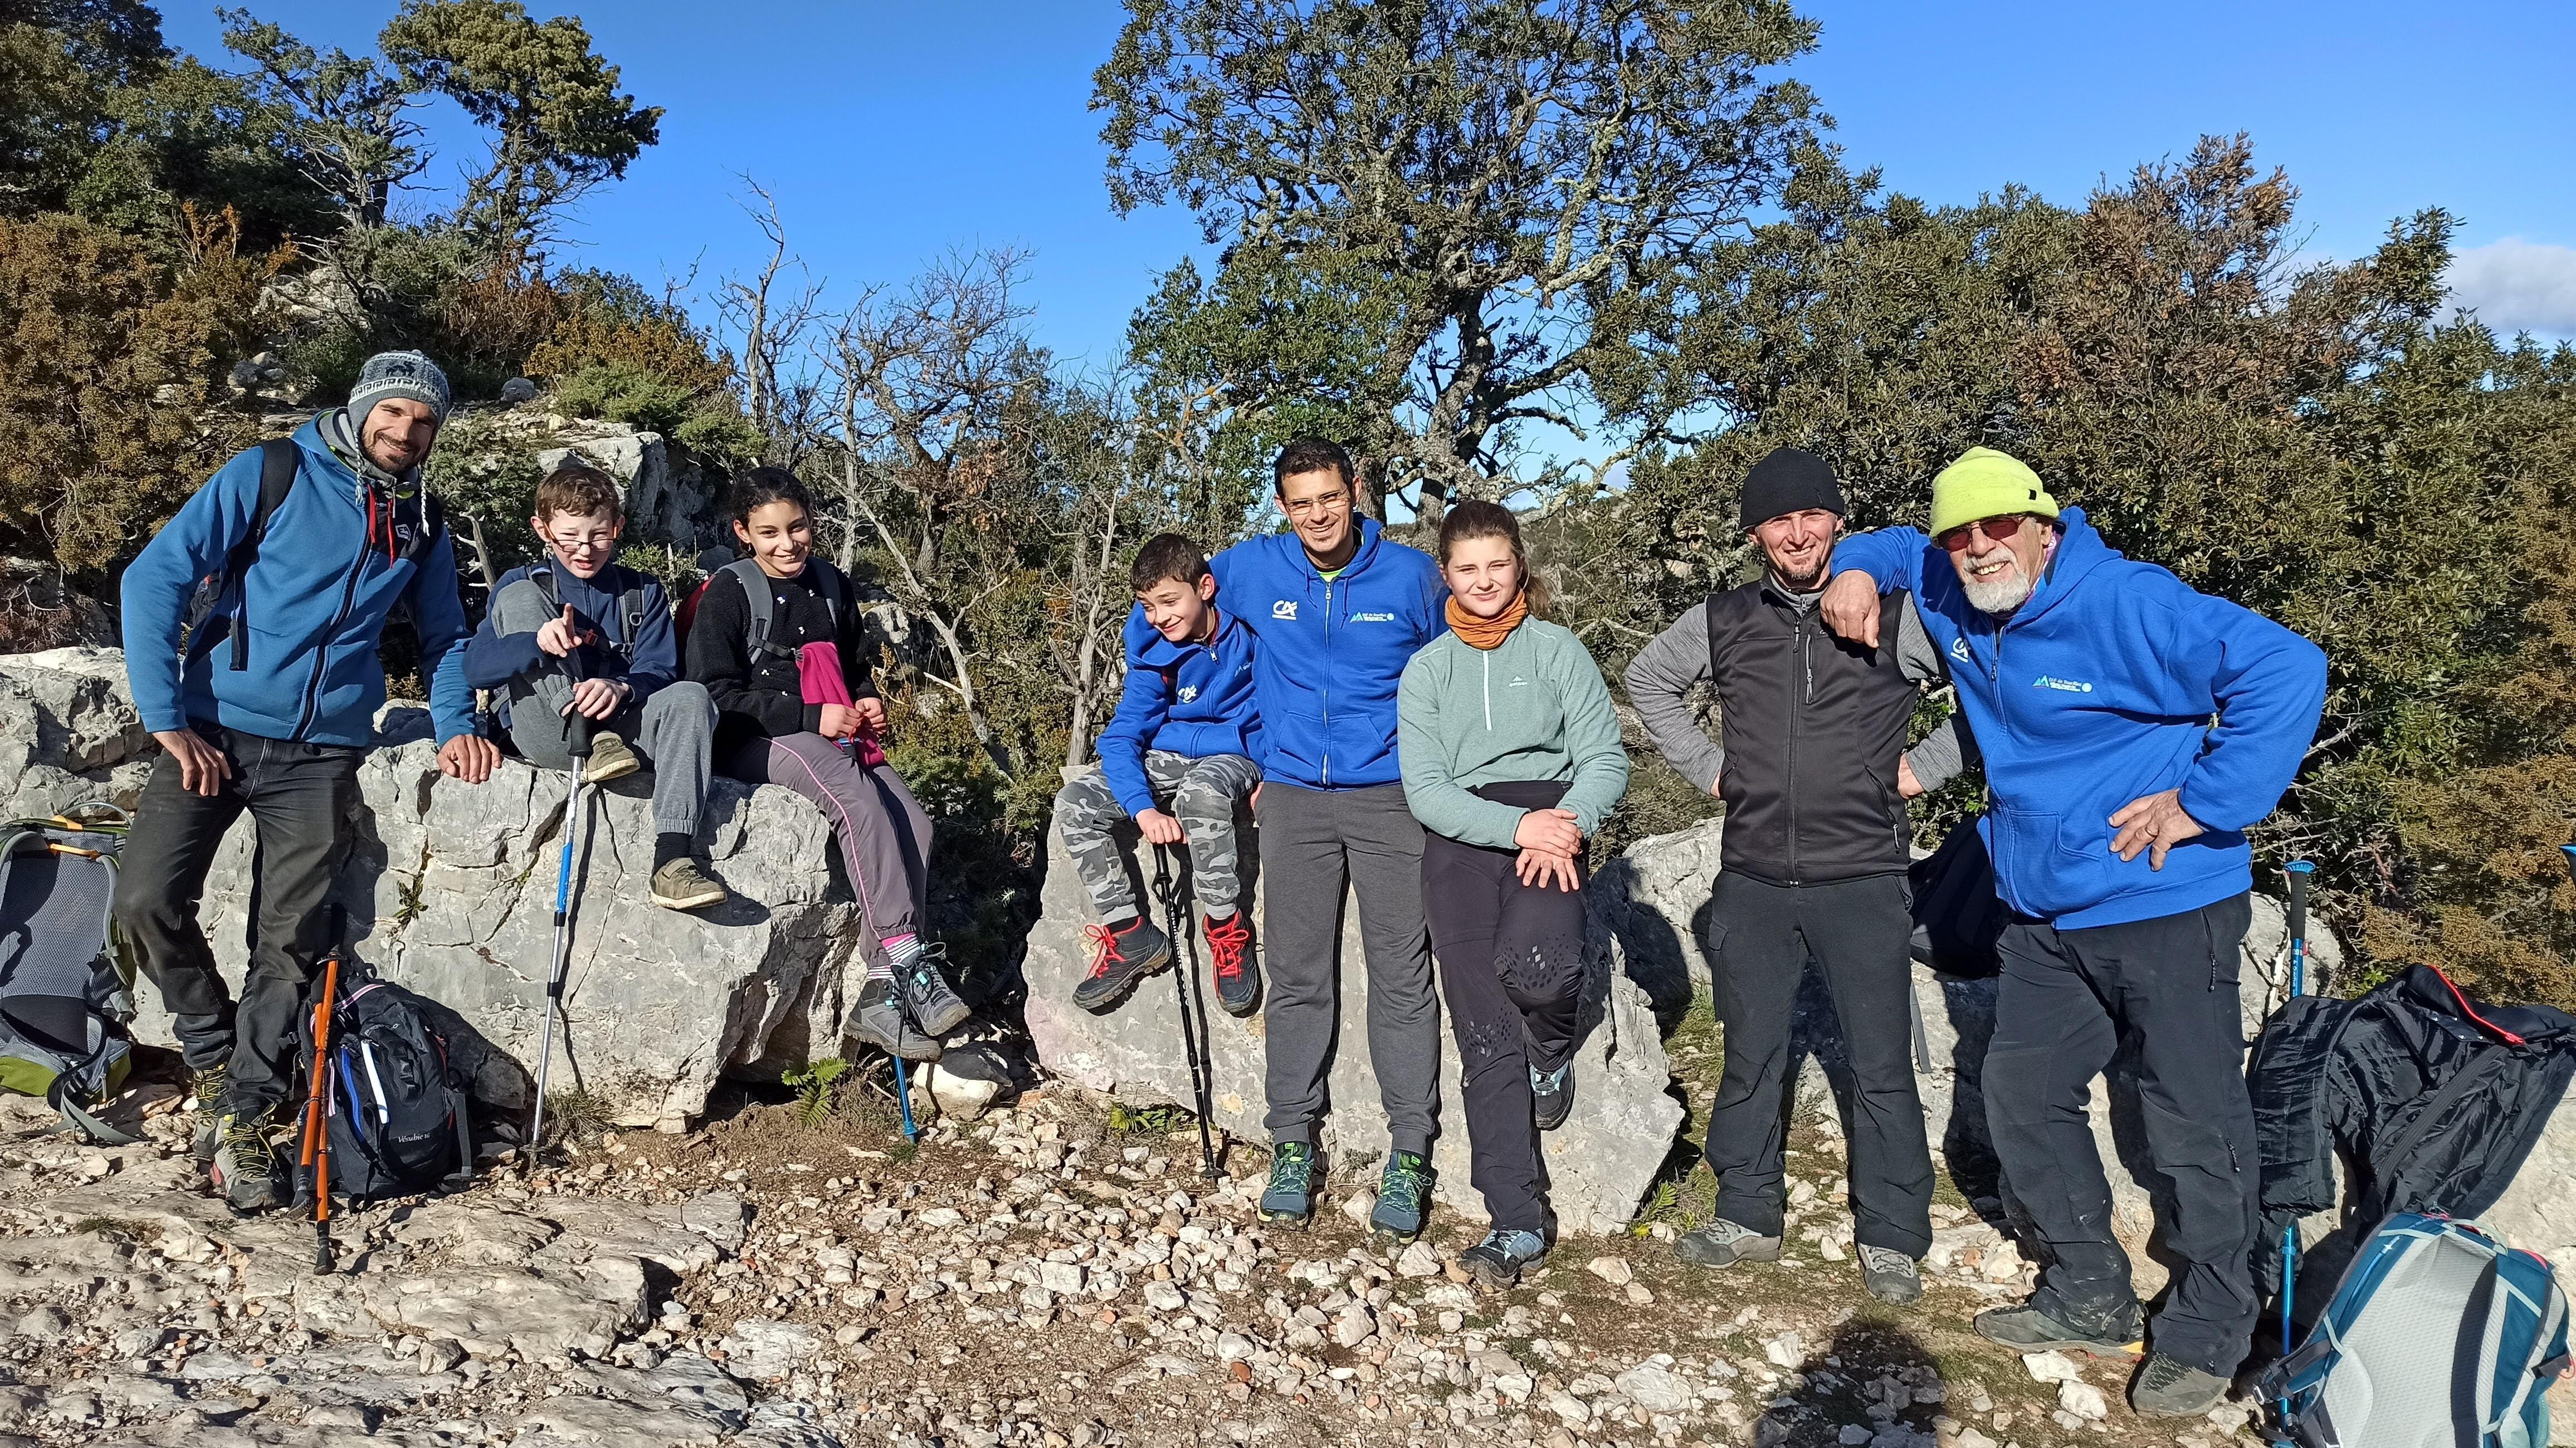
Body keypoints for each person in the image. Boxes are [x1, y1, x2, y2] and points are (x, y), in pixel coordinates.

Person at [1818, 446, 2326, 1416]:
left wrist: (2204, 803)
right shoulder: (1954, 583)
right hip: (2043, 914)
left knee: (2192, 1117)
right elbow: (1897, 547)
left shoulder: (2127, 603)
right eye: (1960, 534)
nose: (1979, 547)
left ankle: (2210, 1327)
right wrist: (1853, 568)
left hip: (2161, 903)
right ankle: (2088, 1290)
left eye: (1999, 527)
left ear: (2044, 530)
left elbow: (2286, 665)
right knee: (2020, 1092)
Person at [114, 350, 501, 1212]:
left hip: (322, 752)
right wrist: (166, 717)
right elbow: (156, 576)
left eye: (424, 421)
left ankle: (246, 1113)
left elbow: (445, 638)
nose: (405, 431)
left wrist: (455, 725)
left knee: (287, 941)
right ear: (362, 410)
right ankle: (214, 1054)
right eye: (392, 412)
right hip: (213, 730)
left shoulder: (423, 519)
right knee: (143, 899)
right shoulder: (275, 471)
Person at [1626, 446, 1975, 1307]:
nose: (1796, 533)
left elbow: (1992, 693)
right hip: (1752, 877)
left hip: (1863, 875)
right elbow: (1649, 680)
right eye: (1777, 520)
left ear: (1838, 523)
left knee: (1881, 1064)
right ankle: (1747, 1212)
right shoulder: (1724, 619)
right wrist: (1711, 770)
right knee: (1752, 1053)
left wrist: (1922, 770)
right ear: (1756, 534)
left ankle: (1891, 1235)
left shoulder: (1899, 617)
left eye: (1811, 515)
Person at [1216, 437, 1447, 1240]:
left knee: (1402, 975)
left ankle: (1410, 1151)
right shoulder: (1251, 568)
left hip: (1390, 795)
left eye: (1330, 497)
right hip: (1292, 796)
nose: (1318, 515)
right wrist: (1222, 742)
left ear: (1356, 491)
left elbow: (1456, 668)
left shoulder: (1412, 576)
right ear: (1282, 507)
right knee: (1297, 972)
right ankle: (1291, 1141)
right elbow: (1170, 611)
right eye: (1301, 503)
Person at [1397, 500, 1627, 1288]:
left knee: (1540, 970)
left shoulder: (1559, 651)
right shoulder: (1428, 671)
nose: (1485, 580)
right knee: (1484, 1029)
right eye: (1468, 568)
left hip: (1553, 827)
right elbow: (1427, 790)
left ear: (1520, 565)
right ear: (1446, 576)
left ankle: (1552, 1051)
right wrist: (1517, 826)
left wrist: (1565, 823)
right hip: (1461, 843)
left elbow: (1605, 759)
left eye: (1498, 564)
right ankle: (1516, 1220)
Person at [684, 467, 964, 1062]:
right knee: (854, 800)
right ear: (742, 532)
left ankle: (882, 991)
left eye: (798, 527)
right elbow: (713, 693)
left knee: (916, 825)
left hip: (835, 731)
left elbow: (852, 663)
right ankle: (906, 956)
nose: (787, 543)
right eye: (769, 533)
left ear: (812, 521)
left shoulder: (832, 584)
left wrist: (866, 697)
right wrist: (812, 716)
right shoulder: (729, 593)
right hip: (754, 741)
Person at [462, 462, 729, 912]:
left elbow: (660, 670)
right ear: (543, 529)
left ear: (618, 528)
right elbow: (476, 669)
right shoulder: (521, 584)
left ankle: (672, 861)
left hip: (621, 737)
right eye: (569, 536)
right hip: (549, 731)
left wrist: (620, 688)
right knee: (519, 600)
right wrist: (535, 642)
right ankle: (581, 725)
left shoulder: (643, 592)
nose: (585, 550)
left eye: (599, 535)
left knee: (691, 697)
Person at [1053, 532, 1265, 1015]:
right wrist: (1143, 810)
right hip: (1169, 751)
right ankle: (1131, 934)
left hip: (1237, 751)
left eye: (1169, 602)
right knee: (1075, 802)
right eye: (1147, 606)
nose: (1158, 617)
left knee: (1200, 794)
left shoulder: (1252, 631)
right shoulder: (1154, 650)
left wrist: (1275, 774)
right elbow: (1123, 735)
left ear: (1205, 588)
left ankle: (1226, 930)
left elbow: (1290, 703)